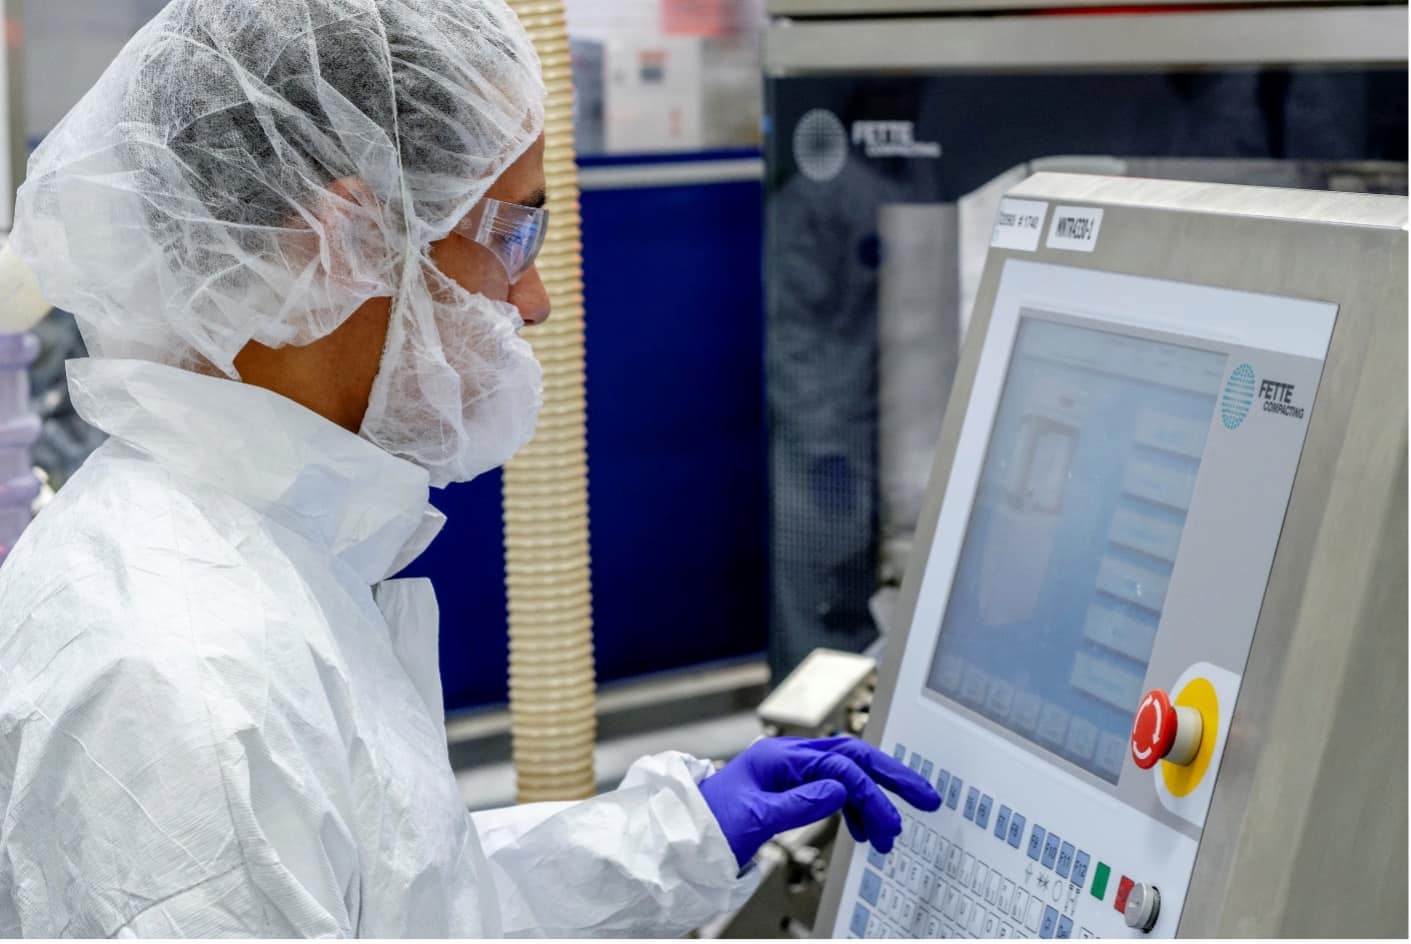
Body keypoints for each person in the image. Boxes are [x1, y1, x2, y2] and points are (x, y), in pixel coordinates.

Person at [0, 0, 939, 937]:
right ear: (343, 244)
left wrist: (684, 833)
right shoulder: (187, 683)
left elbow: (401, 898)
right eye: (512, 235)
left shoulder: (240, 551)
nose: (531, 301)